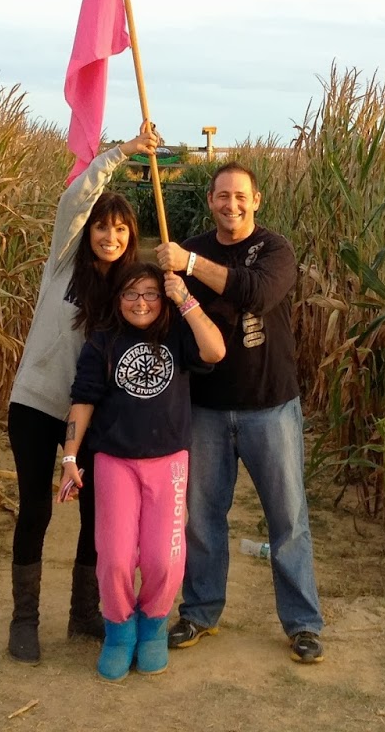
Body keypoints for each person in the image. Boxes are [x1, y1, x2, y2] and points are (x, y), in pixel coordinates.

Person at [154, 162, 325, 665]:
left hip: (270, 405)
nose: (232, 204)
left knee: (288, 520)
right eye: (223, 196)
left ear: (257, 200)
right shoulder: (188, 248)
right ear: (210, 200)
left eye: (241, 196)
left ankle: (303, 624)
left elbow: (257, 293)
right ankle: (200, 611)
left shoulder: (275, 250)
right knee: (203, 518)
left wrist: (189, 264)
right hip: (206, 407)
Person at [6, 124, 159, 665]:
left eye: (119, 229)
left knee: (98, 513)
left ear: (130, 236)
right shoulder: (63, 261)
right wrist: (122, 153)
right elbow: (75, 198)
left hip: (91, 415)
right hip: (36, 402)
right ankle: (24, 620)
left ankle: (83, 612)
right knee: (36, 509)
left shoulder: (129, 289)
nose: (108, 236)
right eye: (101, 226)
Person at [57, 261, 226, 682]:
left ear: (162, 298)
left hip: (169, 463)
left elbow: (215, 351)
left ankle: (153, 624)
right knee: (115, 558)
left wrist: (184, 299)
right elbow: (82, 400)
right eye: (130, 293)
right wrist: (70, 458)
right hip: (114, 462)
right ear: (118, 299)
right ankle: (119, 629)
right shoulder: (102, 342)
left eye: (150, 293)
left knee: (163, 558)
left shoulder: (177, 334)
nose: (140, 303)